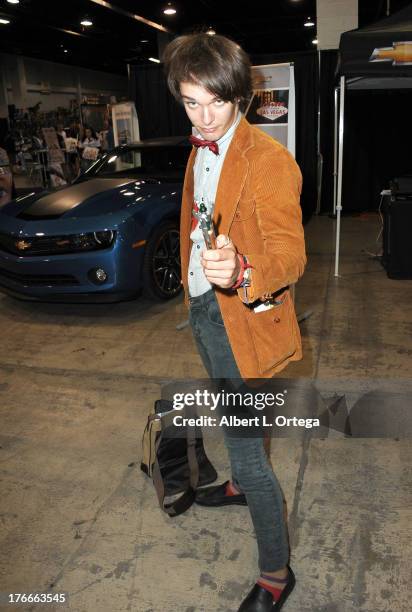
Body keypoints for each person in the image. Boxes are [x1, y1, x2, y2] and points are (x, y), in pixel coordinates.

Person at [163, 33, 306, 611]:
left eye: (216, 103)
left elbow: (291, 256)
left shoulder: (270, 161)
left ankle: (276, 573)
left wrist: (242, 269)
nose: (204, 117)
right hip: (204, 311)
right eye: (191, 102)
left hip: (245, 322)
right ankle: (238, 487)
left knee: (250, 453)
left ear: (242, 96)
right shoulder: (201, 146)